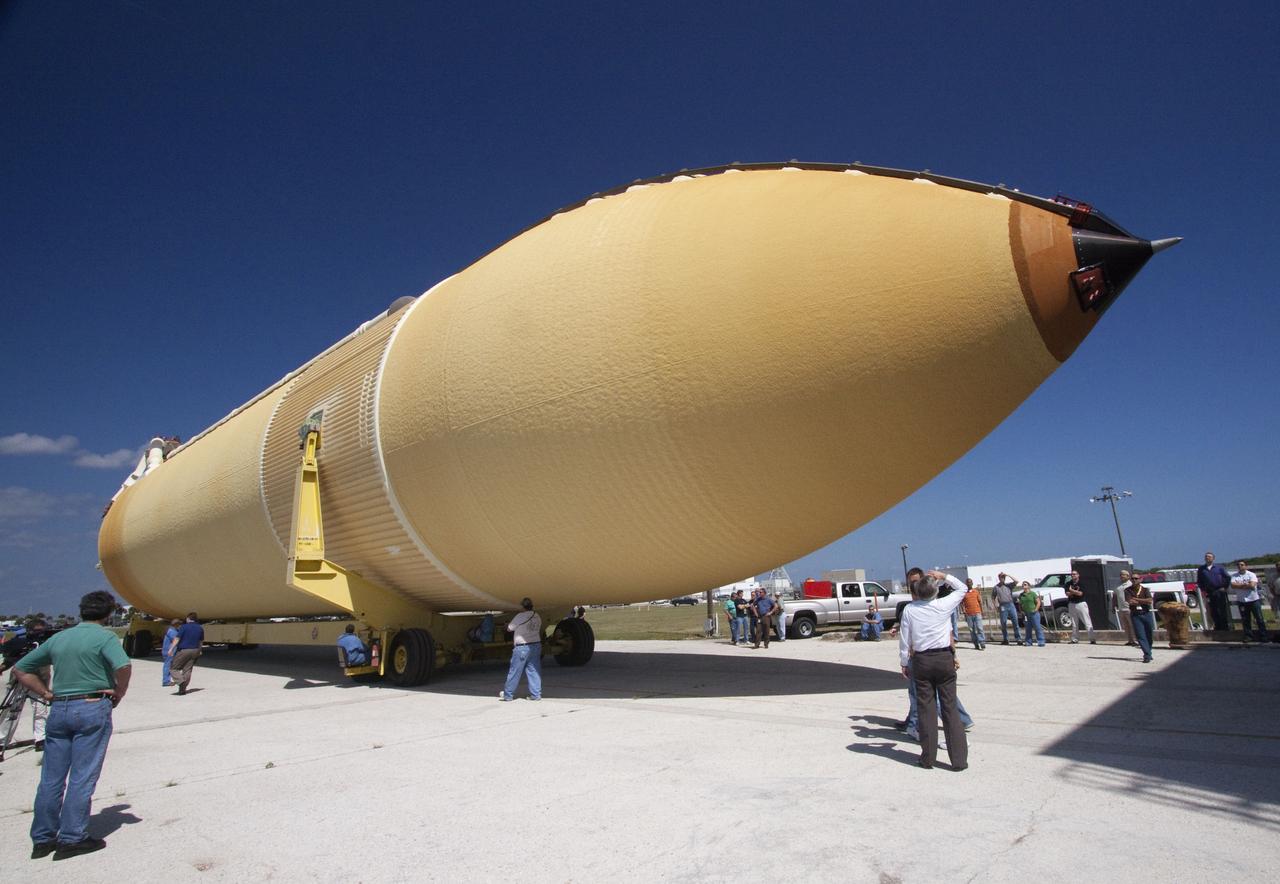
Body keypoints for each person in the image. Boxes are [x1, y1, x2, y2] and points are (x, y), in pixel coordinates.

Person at [13, 590, 131, 859]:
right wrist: (119, 691)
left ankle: (42, 839)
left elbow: (21, 669)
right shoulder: (104, 637)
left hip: (59, 708)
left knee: (50, 779)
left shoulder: (60, 637)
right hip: (91, 706)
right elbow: (123, 666)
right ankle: (72, 838)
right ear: (109, 612)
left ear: (82, 611)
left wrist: (45, 694)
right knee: (82, 776)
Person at [897, 569, 969, 770]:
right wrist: (944, 576)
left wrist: (904, 662)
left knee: (926, 710)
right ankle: (959, 760)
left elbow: (905, 640)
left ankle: (928, 758)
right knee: (950, 709)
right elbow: (962, 588)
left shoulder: (910, 610)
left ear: (917, 592)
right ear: (935, 592)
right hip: (944, 658)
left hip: (922, 661)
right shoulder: (943, 605)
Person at [1, 618, 53, 751]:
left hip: (39, 682)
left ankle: (40, 739)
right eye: (37, 631)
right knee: (10, 711)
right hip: (18, 681)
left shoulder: (47, 645)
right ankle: (2, 740)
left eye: (42, 631)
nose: (40, 634)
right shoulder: (20, 643)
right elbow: (10, 659)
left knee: (40, 709)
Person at [500, 598, 542, 701]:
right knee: (534, 671)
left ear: (523, 607)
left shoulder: (520, 616)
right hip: (536, 644)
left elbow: (510, 628)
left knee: (515, 671)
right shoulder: (537, 616)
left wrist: (505, 625)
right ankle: (536, 694)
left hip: (522, 647)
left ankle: (508, 695)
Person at [1230, 560, 1268, 643]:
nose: (1240, 566)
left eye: (1242, 565)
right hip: (1242, 601)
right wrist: (1245, 585)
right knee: (1245, 620)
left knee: (1259, 619)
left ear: (1246, 566)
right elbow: (1233, 585)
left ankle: (1264, 636)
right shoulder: (1234, 576)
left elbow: (1252, 585)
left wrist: (1240, 585)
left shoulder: (1251, 574)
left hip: (1253, 600)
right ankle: (1248, 636)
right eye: (1238, 565)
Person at [168, 612, 204, 696]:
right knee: (187, 669)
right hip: (195, 650)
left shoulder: (184, 627)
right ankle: (182, 690)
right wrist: (200, 650)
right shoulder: (200, 628)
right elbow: (201, 641)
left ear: (188, 619)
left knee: (173, 668)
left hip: (184, 650)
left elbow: (177, 638)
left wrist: (171, 649)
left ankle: (181, 682)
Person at [1196, 552, 1232, 632]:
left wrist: (1224, 587)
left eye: (1209, 557)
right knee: (1213, 610)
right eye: (1206, 557)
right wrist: (1203, 589)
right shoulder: (1201, 569)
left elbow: (1227, 577)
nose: (1207, 558)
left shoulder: (1219, 567)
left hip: (1219, 591)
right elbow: (1199, 581)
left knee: (1222, 609)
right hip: (1209, 592)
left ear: (1213, 558)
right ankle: (1217, 626)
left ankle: (1225, 626)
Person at [1125, 574, 1156, 663]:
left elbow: (1150, 600)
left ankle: (1149, 652)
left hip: (1146, 613)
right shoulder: (1127, 590)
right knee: (1140, 635)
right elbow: (1130, 602)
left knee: (1149, 634)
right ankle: (1146, 654)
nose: (1134, 580)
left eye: (1136, 578)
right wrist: (1142, 601)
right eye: (1132, 578)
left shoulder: (1145, 590)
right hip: (1135, 615)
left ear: (1140, 580)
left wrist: (1137, 600)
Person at [1063, 570, 1096, 645]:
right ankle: (1074, 639)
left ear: (1078, 575)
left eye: (1074, 574)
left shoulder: (1082, 583)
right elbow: (1067, 593)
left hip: (1081, 603)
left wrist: (1072, 591)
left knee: (1087, 621)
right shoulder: (1068, 583)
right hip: (1072, 603)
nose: (1073, 576)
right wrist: (1073, 592)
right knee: (1074, 622)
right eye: (1072, 574)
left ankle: (1092, 638)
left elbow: (1080, 593)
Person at [992, 572, 1022, 645]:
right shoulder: (996, 587)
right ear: (999, 578)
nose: (1002, 578)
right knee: (1003, 623)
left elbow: (1017, 581)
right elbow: (993, 597)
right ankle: (1006, 639)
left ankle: (1018, 639)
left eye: (1003, 577)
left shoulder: (1009, 585)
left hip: (1010, 604)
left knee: (1015, 622)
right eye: (1001, 577)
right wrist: (996, 606)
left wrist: (1008, 575)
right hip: (1002, 605)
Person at [1113, 570, 1138, 646]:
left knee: (1132, 625)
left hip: (1129, 608)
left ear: (1128, 576)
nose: (1122, 576)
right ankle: (1130, 640)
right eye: (1121, 575)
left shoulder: (1131, 584)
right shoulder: (1118, 585)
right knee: (1125, 626)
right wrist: (1113, 605)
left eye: (1123, 575)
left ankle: (1136, 640)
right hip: (1121, 608)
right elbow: (1115, 596)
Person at [1019, 582, 1044, 647]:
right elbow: (1020, 604)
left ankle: (1041, 641)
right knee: (1028, 628)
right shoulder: (1021, 595)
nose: (1023, 586)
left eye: (1025, 584)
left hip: (1034, 613)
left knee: (1037, 627)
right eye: (1023, 585)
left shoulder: (1033, 594)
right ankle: (1028, 642)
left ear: (1029, 586)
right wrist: (1021, 611)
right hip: (1026, 614)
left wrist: (1036, 609)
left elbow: (1038, 602)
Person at [961, 580, 985, 650]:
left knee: (979, 628)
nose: (969, 583)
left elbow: (980, 602)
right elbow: (962, 604)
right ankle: (976, 643)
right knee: (972, 630)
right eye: (967, 582)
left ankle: (982, 642)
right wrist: (964, 612)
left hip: (977, 612)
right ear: (966, 584)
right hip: (969, 614)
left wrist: (982, 611)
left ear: (972, 583)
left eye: (970, 582)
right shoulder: (964, 593)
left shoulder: (976, 592)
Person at [160, 618, 181, 687]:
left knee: (169, 665)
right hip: (169, 652)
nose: (180, 625)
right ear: (176, 624)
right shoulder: (172, 632)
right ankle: (166, 681)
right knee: (168, 665)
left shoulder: (171, 630)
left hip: (168, 651)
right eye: (179, 624)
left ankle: (167, 680)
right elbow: (176, 640)